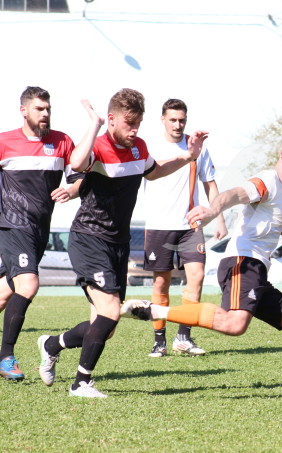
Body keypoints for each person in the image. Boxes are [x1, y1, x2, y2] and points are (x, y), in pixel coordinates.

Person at [121, 138, 282, 399]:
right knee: (235, 324)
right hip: (241, 264)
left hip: (257, 273)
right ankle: (152, 310)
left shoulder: (279, 194)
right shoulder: (267, 181)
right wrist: (212, 211)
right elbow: (234, 194)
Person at [36, 88, 207, 397]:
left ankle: (51, 344)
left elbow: (153, 173)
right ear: (112, 120)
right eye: (129, 123)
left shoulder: (139, 147)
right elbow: (75, 161)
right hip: (89, 239)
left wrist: (186, 156)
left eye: (138, 123)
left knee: (107, 326)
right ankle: (81, 383)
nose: (135, 130)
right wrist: (95, 124)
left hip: (118, 244)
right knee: (111, 310)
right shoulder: (99, 147)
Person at [0, 86, 102, 381]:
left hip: (39, 230)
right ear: (24, 110)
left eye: (48, 109)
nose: (45, 114)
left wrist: (72, 188)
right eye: (39, 109)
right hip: (11, 225)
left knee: (6, 293)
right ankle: (6, 356)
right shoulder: (5, 142)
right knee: (29, 284)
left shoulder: (61, 142)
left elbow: (81, 174)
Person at [143, 99, 227, 358]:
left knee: (197, 277)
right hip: (158, 225)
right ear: (162, 119)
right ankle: (159, 341)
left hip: (191, 225)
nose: (178, 125)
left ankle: (184, 337)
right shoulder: (150, 147)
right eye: (173, 120)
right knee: (160, 284)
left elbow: (209, 183)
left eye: (182, 120)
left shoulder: (197, 146)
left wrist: (219, 217)